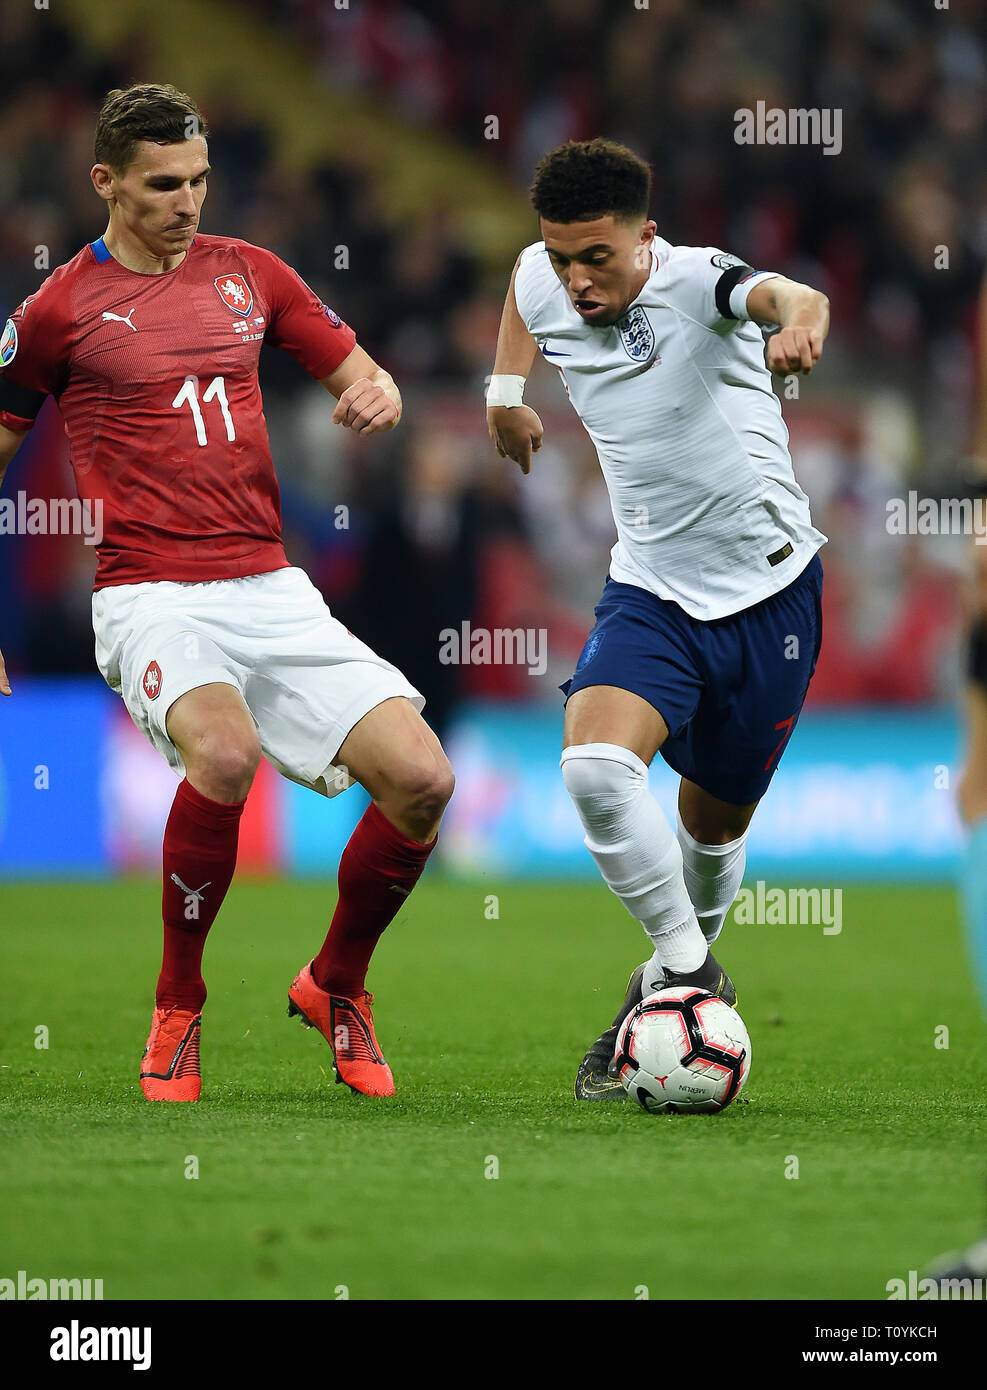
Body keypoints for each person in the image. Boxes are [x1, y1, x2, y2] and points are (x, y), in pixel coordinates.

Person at [0, 83, 454, 1102]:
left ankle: (336, 982)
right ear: (106, 182)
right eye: (165, 185)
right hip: (150, 592)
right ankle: (177, 1005)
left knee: (423, 779)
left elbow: (357, 370)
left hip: (267, 583)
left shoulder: (250, 274)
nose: (189, 201)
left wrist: (374, 388)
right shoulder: (58, 310)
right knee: (224, 749)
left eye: (201, 180)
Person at [487, 138, 827, 1100]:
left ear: (646, 235)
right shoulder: (541, 274)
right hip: (650, 591)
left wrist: (802, 318)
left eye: (597, 256)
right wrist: (503, 396)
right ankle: (688, 974)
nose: (576, 280)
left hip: (770, 596)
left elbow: (784, 298)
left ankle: (662, 977)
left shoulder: (696, 282)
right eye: (562, 256)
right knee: (594, 769)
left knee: (711, 832)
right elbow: (521, 292)